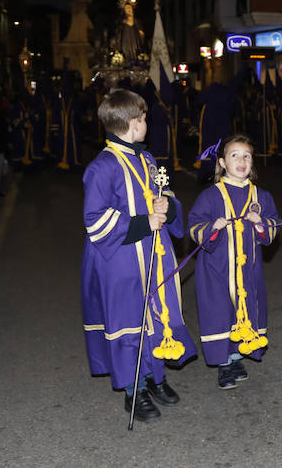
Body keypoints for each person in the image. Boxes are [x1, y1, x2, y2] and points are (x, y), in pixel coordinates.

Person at [81, 89, 196, 422]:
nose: (147, 123)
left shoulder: (146, 159)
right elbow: (95, 220)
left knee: (156, 318)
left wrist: (167, 207)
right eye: (144, 118)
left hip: (153, 255)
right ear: (133, 123)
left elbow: (165, 196)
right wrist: (146, 221)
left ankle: (156, 377)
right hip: (120, 261)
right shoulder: (101, 168)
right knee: (131, 324)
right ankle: (135, 390)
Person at [188, 135, 279, 389]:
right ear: (222, 163)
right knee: (220, 312)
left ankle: (237, 356)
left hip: (249, 269)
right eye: (235, 155)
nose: (241, 160)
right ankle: (224, 363)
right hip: (217, 270)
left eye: (247, 156)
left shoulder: (261, 196)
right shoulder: (210, 196)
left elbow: (272, 230)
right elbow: (194, 226)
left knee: (246, 308)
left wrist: (261, 223)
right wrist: (212, 228)